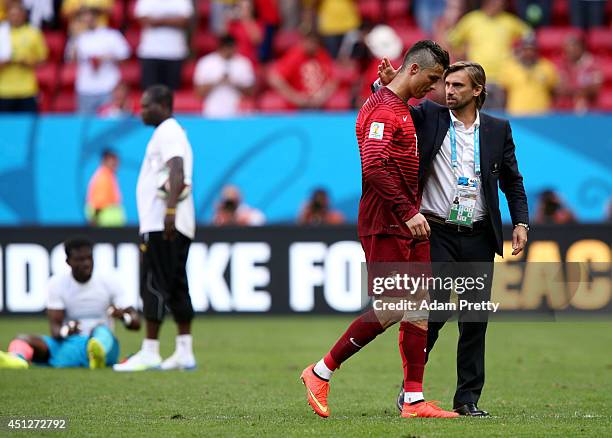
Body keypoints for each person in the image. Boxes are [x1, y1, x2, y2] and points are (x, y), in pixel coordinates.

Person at [300, 40, 459, 419]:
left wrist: (383, 85)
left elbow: (392, 100)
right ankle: (320, 371)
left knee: (419, 308)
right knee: (391, 308)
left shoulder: (395, 105)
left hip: (408, 222)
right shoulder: (385, 111)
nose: (435, 88)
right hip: (387, 221)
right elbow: (373, 166)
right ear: (415, 70)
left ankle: (415, 400)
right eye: (433, 79)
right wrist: (407, 211)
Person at [376, 59, 529, 416]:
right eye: (446, 84)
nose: (448, 90)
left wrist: (521, 222)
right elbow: (390, 110)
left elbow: (512, 180)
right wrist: (385, 86)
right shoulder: (428, 114)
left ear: (477, 90)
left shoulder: (497, 129)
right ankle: (412, 391)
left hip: (478, 234)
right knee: (433, 314)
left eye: (458, 85)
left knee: (475, 320)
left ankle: (467, 400)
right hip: (437, 230)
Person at [113, 85, 196, 372]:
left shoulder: (168, 130)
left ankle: (150, 351)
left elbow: (177, 169)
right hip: (173, 222)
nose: (142, 111)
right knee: (175, 284)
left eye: (147, 106)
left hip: (163, 223)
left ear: (163, 104)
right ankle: (184, 351)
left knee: (153, 283)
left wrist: (169, 211)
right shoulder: (172, 131)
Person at [0, 236, 140, 370]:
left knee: (102, 331)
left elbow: (136, 323)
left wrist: (123, 317)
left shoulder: (109, 281)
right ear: (68, 261)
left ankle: (96, 354)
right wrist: (67, 330)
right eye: (79, 259)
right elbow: (55, 330)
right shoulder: (56, 284)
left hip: (105, 343)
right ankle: (17, 360)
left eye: (89, 258)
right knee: (23, 339)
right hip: (70, 342)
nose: (86, 263)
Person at [447, 0, 531, 109]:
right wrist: (460, 55)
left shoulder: (509, 21)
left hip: (502, 79)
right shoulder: (472, 20)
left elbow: (529, 36)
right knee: (477, 114)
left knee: (497, 118)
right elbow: (452, 40)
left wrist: (518, 53)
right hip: (478, 78)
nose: (500, 4)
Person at [67, 6, 130, 114]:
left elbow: (125, 58)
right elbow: (71, 60)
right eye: (83, 17)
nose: (86, 19)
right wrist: (74, 38)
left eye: (89, 16)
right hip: (85, 88)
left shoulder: (111, 35)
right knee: (85, 126)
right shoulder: (79, 37)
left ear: (97, 17)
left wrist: (107, 57)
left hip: (108, 87)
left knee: (108, 124)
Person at [268, 32, 338, 110]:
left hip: (320, 105)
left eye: (314, 43)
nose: (312, 45)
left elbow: (333, 80)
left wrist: (323, 96)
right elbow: (275, 79)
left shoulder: (321, 54)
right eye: (309, 42)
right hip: (299, 108)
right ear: (303, 41)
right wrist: (295, 97)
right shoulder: (294, 55)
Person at [135, 0, 194, 91]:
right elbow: (143, 19)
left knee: (172, 95)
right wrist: (172, 20)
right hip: (150, 52)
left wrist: (158, 20)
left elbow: (185, 21)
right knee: (149, 94)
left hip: (175, 53)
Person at [0, 0, 48, 113]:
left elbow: (43, 60)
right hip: (3, 91)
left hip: (27, 90)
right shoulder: (2, 33)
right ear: (7, 15)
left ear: (24, 15)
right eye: (12, 15)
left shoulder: (33, 33)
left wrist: (28, 62)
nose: (15, 18)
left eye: (18, 14)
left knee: (28, 126)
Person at [193, 34, 255, 118]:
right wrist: (217, 81)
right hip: (212, 113)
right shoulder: (206, 63)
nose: (230, 51)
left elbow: (251, 92)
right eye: (227, 48)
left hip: (238, 114)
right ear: (221, 47)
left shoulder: (243, 63)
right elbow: (199, 93)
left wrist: (234, 82)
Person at [498, 34, 558, 116]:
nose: (529, 53)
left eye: (532, 50)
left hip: (542, 115)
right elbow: (503, 93)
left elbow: (553, 91)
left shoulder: (546, 67)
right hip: (516, 116)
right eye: (526, 49)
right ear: (520, 50)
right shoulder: (510, 68)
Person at [556, 34, 603, 113]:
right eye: (567, 49)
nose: (570, 52)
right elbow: (559, 90)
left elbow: (595, 89)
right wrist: (579, 91)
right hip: (566, 112)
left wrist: (574, 91)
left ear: (581, 48)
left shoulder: (592, 65)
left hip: (588, 112)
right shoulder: (562, 65)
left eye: (573, 48)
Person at [85, 149, 126, 226]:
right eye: (112, 160)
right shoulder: (103, 178)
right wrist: (93, 222)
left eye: (116, 160)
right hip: (105, 227)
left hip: (111, 227)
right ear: (104, 161)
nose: (116, 163)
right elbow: (97, 204)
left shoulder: (109, 176)